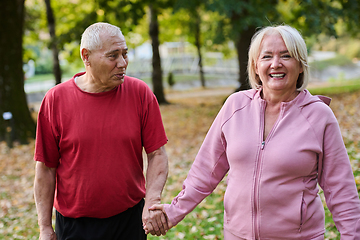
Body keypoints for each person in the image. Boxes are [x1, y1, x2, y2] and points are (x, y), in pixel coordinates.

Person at [144, 25, 360, 239]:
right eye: (267, 56)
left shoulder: (319, 116)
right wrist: (172, 212)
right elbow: (205, 172)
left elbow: (340, 188)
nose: (276, 64)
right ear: (256, 66)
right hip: (237, 235)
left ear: (301, 65)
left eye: (286, 55)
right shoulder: (235, 106)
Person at [34, 22, 169, 240]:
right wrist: (44, 227)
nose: (123, 63)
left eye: (125, 54)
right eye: (113, 56)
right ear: (86, 56)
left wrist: (152, 201)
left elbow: (157, 154)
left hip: (129, 220)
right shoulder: (55, 100)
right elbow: (45, 169)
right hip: (74, 226)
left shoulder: (140, 93)